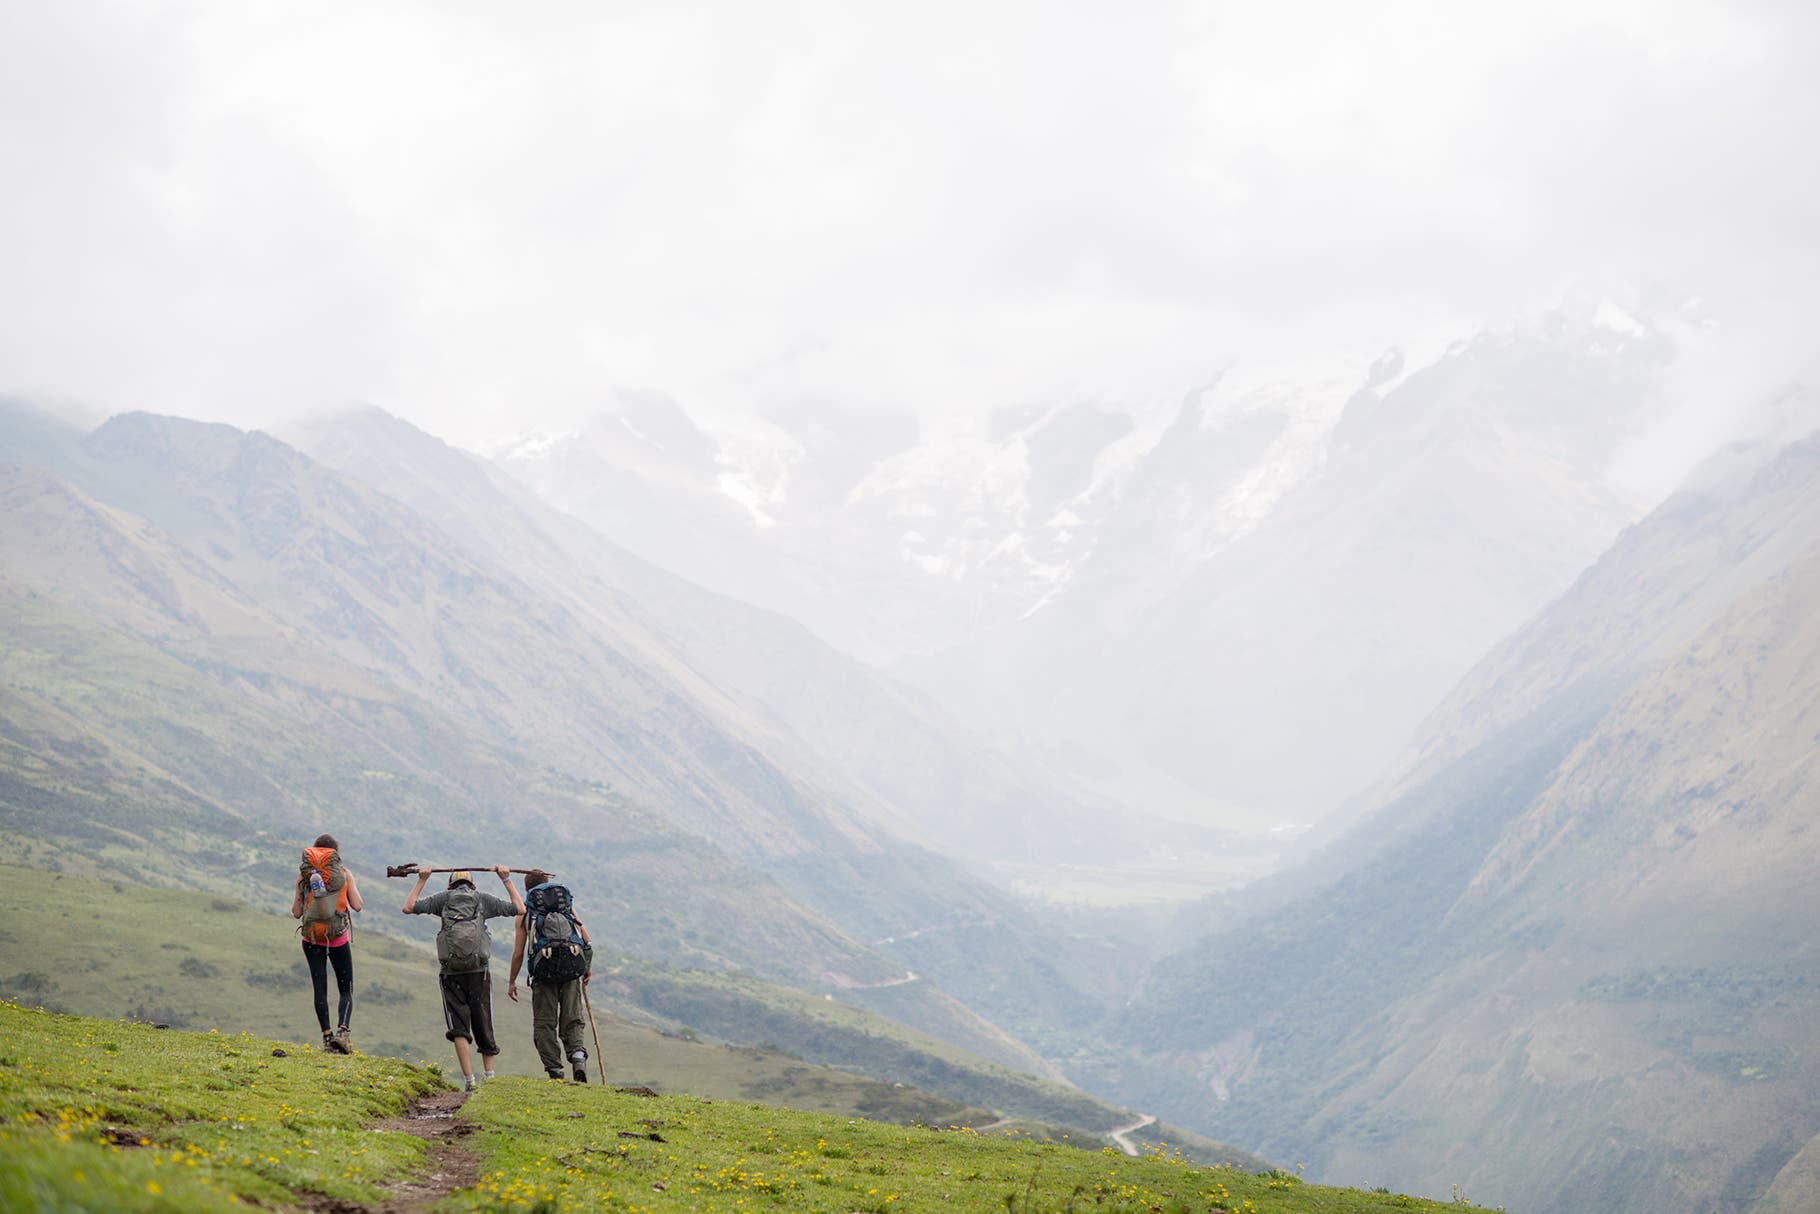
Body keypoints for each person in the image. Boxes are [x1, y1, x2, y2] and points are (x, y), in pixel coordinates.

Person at [403, 864, 525, 1090]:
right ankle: (490, 1079)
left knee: (459, 1026)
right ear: (472, 885)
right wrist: (506, 878)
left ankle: (470, 1081)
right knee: (483, 1021)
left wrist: (422, 879)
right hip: (479, 971)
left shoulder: (443, 899)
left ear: (451, 885)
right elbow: (520, 908)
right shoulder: (482, 899)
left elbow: (408, 907)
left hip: (451, 973)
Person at [507, 869, 594, 1082]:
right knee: (573, 1018)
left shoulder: (526, 912)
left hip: (543, 972)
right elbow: (585, 938)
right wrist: (587, 967)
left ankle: (556, 1071)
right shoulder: (566, 907)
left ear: (528, 889)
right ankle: (578, 1056)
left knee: (545, 1023)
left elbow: (519, 952)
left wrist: (511, 981)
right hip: (572, 966)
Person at [292, 833, 363, 1055]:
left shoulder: (303, 875)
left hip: (312, 937)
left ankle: (326, 1037)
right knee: (346, 989)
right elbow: (358, 905)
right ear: (335, 854)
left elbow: (296, 912)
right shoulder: (343, 874)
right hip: (337, 938)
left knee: (320, 988)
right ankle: (343, 1034)